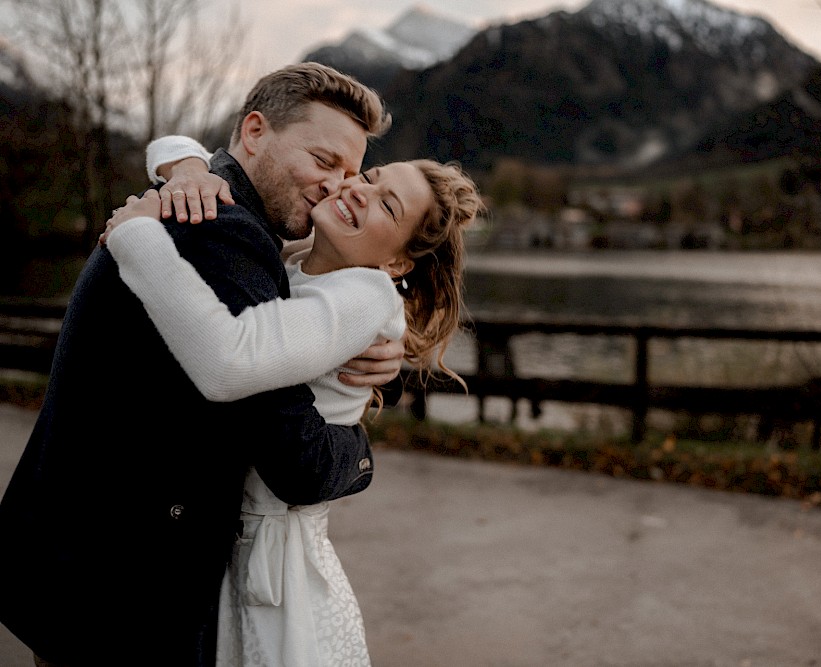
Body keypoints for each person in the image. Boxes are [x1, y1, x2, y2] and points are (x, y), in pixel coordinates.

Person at [0, 63, 405, 666]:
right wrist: (362, 453)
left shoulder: (220, 207)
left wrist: (391, 366)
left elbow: (311, 319)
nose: (337, 186)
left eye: (350, 172)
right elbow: (298, 462)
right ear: (255, 131)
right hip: (125, 585)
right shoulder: (222, 231)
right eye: (323, 162)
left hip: (80, 561)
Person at [101, 136, 481, 665]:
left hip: (272, 565)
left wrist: (137, 237)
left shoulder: (366, 296)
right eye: (372, 177)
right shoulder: (298, 258)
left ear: (396, 262)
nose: (361, 191)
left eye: (388, 205)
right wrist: (189, 168)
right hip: (225, 536)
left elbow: (228, 360)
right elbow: (170, 140)